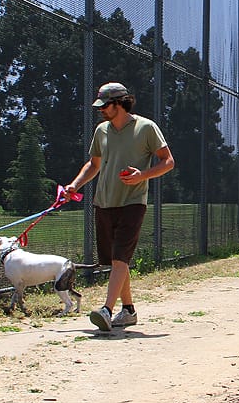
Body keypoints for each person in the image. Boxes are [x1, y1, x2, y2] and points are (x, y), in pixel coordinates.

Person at [64, 82, 174, 331]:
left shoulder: (146, 127)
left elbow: (168, 161)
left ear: (120, 103)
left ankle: (106, 309)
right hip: (104, 202)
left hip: (133, 202)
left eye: (105, 105)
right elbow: (94, 165)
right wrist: (74, 185)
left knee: (120, 256)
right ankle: (128, 310)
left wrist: (142, 175)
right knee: (116, 260)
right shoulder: (101, 130)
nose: (101, 110)